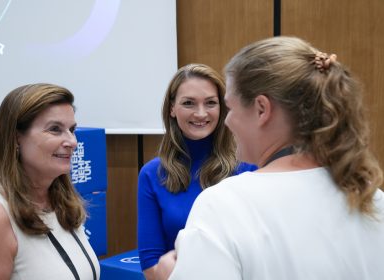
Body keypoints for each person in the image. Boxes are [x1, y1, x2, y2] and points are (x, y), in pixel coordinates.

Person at [156, 36, 384, 279]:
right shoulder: (371, 199)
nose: (227, 121)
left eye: (230, 108)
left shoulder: (223, 206)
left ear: (261, 109)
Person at [0, 83, 100, 279]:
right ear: (17, 138)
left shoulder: (62, 203)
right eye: (55, 129)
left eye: (72, 129)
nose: (72, 142)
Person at [137, 63, 257, 279]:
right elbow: (151, 265)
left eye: (210, 103)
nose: (200, 113)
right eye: (189, 103)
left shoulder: (248, 167)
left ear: (222, 108)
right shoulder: (151, 174)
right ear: (172, 108)